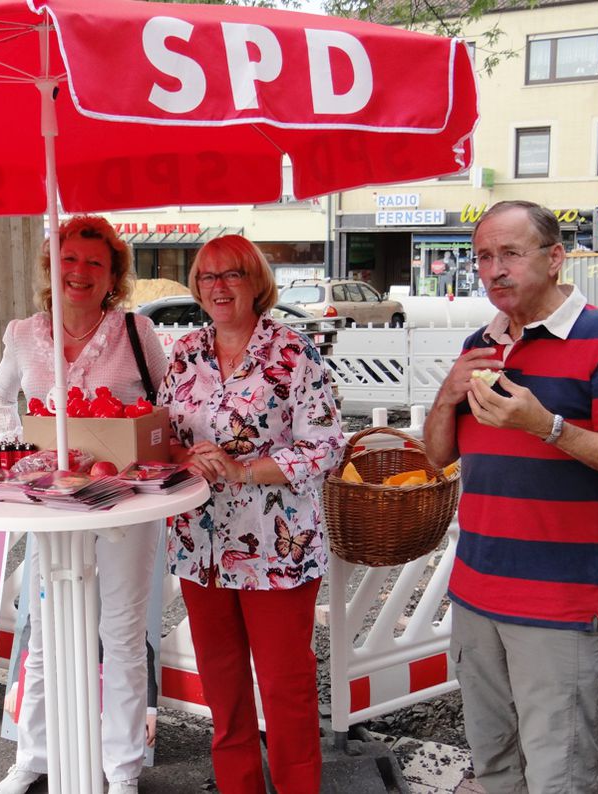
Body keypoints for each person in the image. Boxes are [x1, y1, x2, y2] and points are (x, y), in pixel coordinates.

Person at [423, 200, 598, 794]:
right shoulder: (479, 344)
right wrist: (446, 397)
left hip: (559, 601)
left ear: (555, 258)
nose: (494, 269)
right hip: (475, 590)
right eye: (483, 257)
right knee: (494, 762)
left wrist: (546, 426)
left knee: (560, 771)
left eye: (510, 253)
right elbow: (436, 457)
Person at [0, 215, 167, 794]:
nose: (79, 272)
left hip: (125, 506)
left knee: (122, 632)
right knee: (46, 631)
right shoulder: (23, 334)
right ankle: (33, 755)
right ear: (51, 265)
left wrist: (140, 447)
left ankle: (122, 769)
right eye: (69, 259)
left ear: (113, 276)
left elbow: (167, 406)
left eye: (95, 263)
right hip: (53, 506)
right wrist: (20, 456)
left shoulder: (137, 332)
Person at [158, 235, 343, 794]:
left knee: (286, 688)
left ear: (256, 282)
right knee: (223, 688)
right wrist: (186, 457)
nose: (218, 287)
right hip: (200, 546)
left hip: (277, 547)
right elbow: (160, 434)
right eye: (207, 276)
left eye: (232, 274)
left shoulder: (293, 352)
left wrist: (243, 470)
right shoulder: (185, 352)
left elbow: (326, 447)